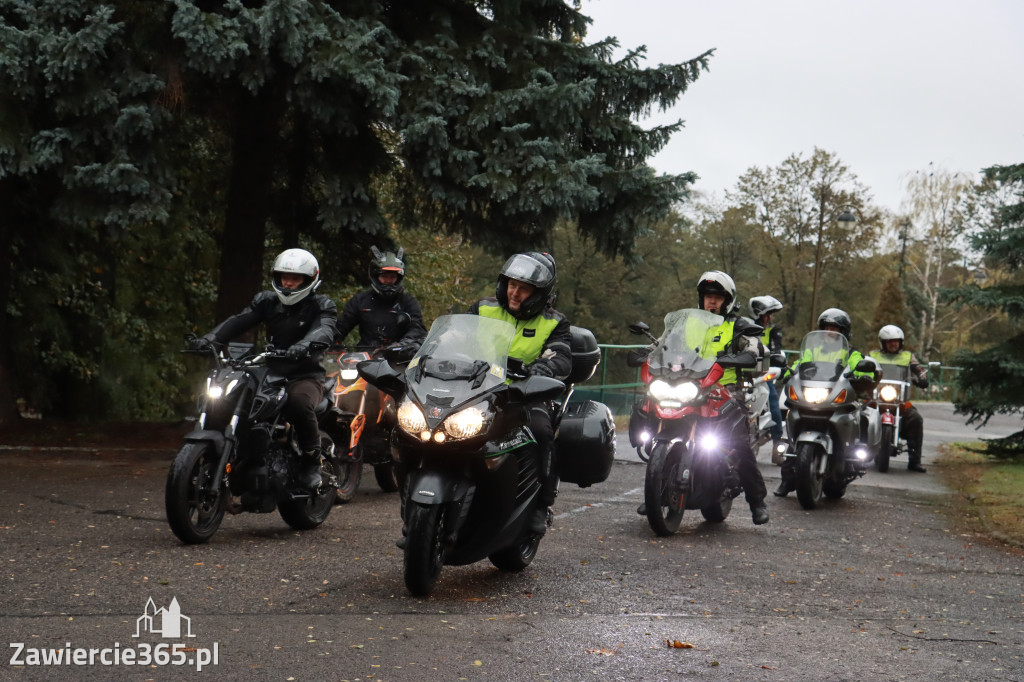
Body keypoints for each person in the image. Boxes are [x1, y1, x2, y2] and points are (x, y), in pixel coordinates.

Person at [190, 248, 338, 491]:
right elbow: (238, 320)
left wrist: (303, 345)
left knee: (299, 403)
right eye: (283, 277)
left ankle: (313, 462)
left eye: (295, 278)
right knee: (231, 395)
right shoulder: (267, 301)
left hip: (304, 375)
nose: (288, 283)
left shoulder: (321, 305)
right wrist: (209, 340)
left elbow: (324, 329)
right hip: (268, 372)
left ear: (309, 280)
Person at [635, 272, 770, 525]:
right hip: (690, 384)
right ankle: (657, 492)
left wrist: (749, 353)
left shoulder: (737, 325)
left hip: (727, 388)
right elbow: (664, 344)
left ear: (727, 300)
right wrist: (648, 353)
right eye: (709, 296)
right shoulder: (687, 322)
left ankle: (757, 501)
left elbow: (753, 347)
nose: (712, 302)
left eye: (718, 297)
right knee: (654, 413)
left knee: (738, 442)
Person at [468, 251, 572, 536]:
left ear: (539, 293)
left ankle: (541, 504)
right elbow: (455, 337)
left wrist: (541, 368)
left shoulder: (554, 322)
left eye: (523, 288)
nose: (515, 292)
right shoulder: (483, 308)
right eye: (512, 284)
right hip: (478, 390)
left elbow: (561, 357)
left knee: (540, 431)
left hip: (525, 396)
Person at [774, 307, 874, 496]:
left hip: (836, 400)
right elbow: (800, 364)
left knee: (861, 416)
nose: (830, 331)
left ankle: (856, 457)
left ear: (843, 332)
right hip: (812, 398)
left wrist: (864, 374)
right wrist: (788, 372)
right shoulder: (813, 350)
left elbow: (860, 366)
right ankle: (787, 480)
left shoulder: (851, 354)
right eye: (827, 327)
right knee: (791, 439)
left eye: (835, 328)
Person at [334, 246, 427, 353]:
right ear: (375, 277)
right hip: (364, 360)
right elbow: (341, 326)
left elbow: (417, 329)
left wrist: (402, 344)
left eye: (392, 277)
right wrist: (329, 343)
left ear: (398, 278)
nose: (388, 281)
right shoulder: (360, 301)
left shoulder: (408, 302)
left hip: (398, 359)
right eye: (384, 277)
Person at [870, 324, 929, 472]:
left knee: (916, 419)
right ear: (883, 342)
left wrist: (922, 378)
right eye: (889, 341)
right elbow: (863, 368)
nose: (893, 344)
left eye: (896, 341)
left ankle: (915, 460)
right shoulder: (873, 356)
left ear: (901, 342)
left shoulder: (907, 357)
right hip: (875, 400)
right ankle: (848, 457)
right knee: (857, 415)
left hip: (900, 401)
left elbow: (918, 369)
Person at [750, 295, 786, 456]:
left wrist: (777, 359)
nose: (769, 318)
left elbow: (776, 349)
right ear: (758, 313)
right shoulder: (744, 325)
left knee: (772, 400)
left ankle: (778, 445)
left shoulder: (773, 330)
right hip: (744, 372)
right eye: (767, 314)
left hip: (763, 372)